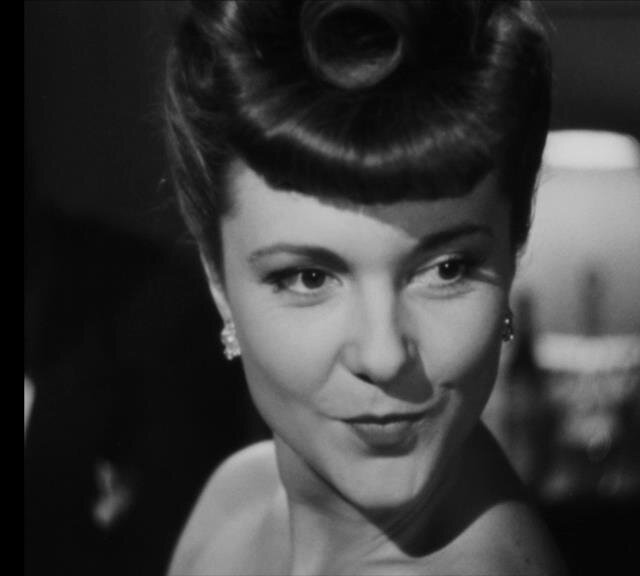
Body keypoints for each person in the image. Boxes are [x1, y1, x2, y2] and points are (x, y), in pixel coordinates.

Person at [164, 1, 565, 574]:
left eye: (447, 269)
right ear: (217, 279)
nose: (383, 357)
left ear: (512, 252)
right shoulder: (238, 497)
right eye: (309, 278)